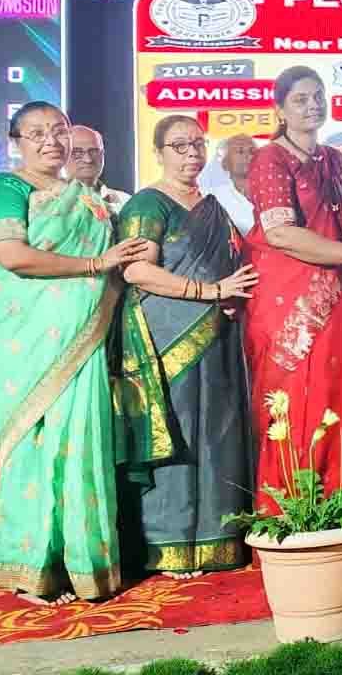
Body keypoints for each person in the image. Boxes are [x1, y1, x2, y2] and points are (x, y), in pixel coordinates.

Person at [0, 101, 151, 603]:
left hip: (82, 337)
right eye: (36, 133)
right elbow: (13, 257)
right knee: (35, 445)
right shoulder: (4, 189)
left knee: (79, 445)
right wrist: (96, 263)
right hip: (22, 339)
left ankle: (77, 563)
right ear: (16, 142)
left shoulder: (87, 199)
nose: (50, 141)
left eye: (59, 131)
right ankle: (28, 566)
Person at [243, 67, 342, 524]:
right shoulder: (270, 160)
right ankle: (297, 520)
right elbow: (281, 233)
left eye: (318, 96)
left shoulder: (336, 160)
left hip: (341, 299)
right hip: (291, 304)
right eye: (300, 99)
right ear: (279, 109)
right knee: (297, 406)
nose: (313, 106)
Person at [114, 115, 261, 579]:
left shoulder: (214, 205)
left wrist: (232, 297)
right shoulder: (147, 203)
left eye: (197, 144)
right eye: (179, 146)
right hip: (169, 337)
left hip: (219, 335)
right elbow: (137, 271)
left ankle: (220, 541)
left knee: (218, 434)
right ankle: (169, 544)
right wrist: (209, 292)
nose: (191, 153)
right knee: (178, 435)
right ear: (158, 153)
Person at [68, 125, 131, 214]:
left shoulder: (125, 201)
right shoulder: (51, 202)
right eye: (78, 152)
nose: (88, 159)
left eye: (94, 151)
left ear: (103, 154)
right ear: (63, 155)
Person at [211, 135, 258, 235]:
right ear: (224, 163)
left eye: (252, 151)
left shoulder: (275, 191)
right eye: (240, 151)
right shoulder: (215, 198)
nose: (249, 156)